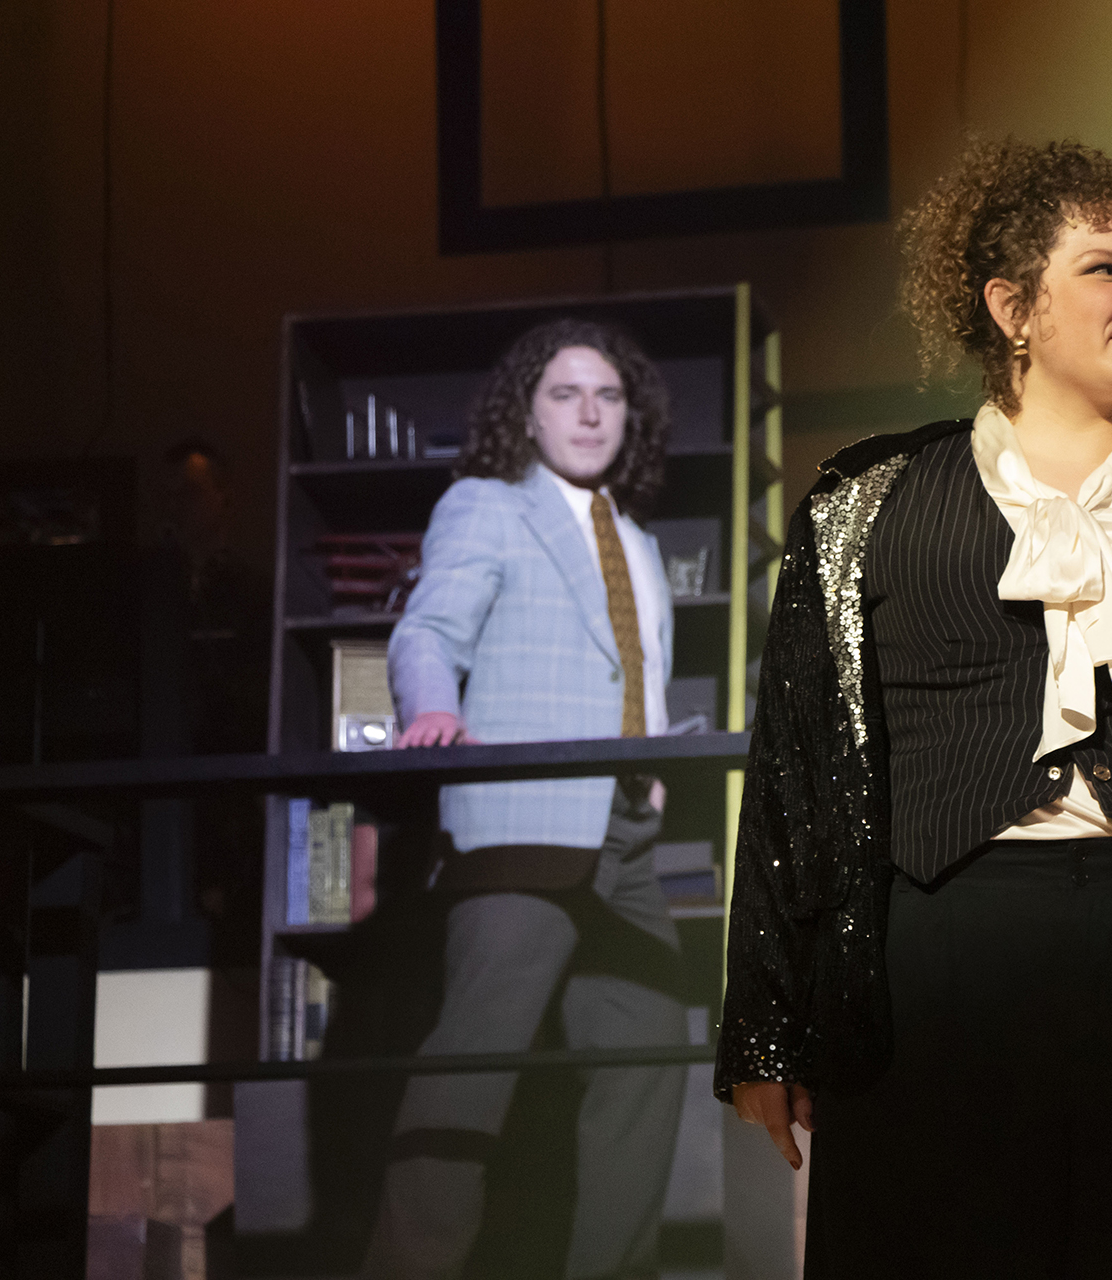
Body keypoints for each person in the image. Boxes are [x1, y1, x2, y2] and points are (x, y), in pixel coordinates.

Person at [717, 138, 1112, 1277]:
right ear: (1013, 307)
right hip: (946, 957)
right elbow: (794, 774)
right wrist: (767, 1023)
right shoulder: (868, 506)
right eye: (1104, 269)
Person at [363, 317, 686, 1280]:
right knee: (470, 1076)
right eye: (565, 394)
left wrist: (651, 763)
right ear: (529, 414)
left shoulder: (639, 541)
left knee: (647, 1062)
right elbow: (427, 633)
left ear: (630, 415)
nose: (590, 414)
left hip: (626, 837)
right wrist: (432, 710)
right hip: (522, 820)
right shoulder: (488, 506)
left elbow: (633, 670)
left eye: (609, 396)